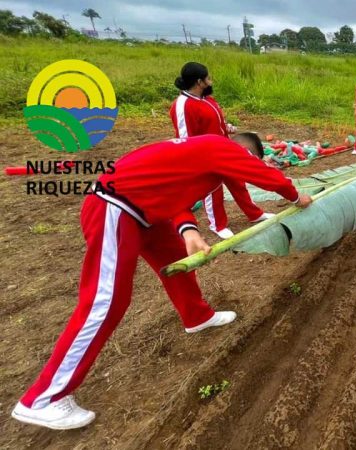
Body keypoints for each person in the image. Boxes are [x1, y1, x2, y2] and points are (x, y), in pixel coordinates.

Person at [11, 133, 314, 430]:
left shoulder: (197, 154)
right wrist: (294, 196)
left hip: (143, 212)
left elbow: (171, 193)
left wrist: (187, 229)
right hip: (114, 208)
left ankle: (197, 317)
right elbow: (258, 172)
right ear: (247, 152)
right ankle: (43, 398)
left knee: (174, 257)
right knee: (106, 301)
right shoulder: (222, 146)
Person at [170, 62, 270, 239]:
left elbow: (214, 121)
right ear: (199, 81)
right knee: (212, 189)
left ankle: (254, 214)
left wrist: (226, 127)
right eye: (208, 78)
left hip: (224, 149)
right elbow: (185, 136)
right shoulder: (183, 105)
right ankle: (218, 224)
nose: (211, 80)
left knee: (237, 182)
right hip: (205, 156)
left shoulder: (206, 98)